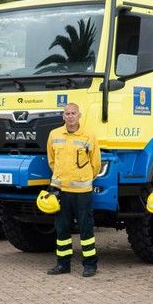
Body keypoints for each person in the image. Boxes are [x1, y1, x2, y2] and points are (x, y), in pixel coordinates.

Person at [45, 102, 102, 277]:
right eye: (67, 113)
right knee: (61, 229)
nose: (70, 116)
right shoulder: (54, 135)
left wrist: (83, 179)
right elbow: (51, 160)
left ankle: (90, 265)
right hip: (61, 190)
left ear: (79, 115)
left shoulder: (88, 136)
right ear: (63, 116)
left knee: (86, 229)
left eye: (73, 113)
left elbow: (96, 163)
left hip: (82, 192)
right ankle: (63, 264)